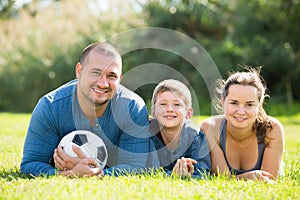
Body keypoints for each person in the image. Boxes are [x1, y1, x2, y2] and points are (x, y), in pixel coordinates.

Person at [20, 42, 154, 178]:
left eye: (111, 76)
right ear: (79, 71)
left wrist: (95, 174)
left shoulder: (133, 107)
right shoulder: (51, 106)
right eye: (96, 73)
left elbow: (135, 166)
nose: (103, 83)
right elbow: (30, 164)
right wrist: (69, 174)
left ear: (120, 78)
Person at [200, 67, 284, 182]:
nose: (241, 111)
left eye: (249, 104)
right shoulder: (210, 128)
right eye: (234, 103)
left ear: (259, 106)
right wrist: (247, 177)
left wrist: (241, 178)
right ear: (223, 102)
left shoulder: (272, 129)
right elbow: (222, 178)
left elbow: (269, 180)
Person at [149, 79, 211, 178]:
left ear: (188, 113)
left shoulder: (196, 137)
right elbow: (144, 171)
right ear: (153, 113)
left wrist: (187, 175)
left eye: (177, 105)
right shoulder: (147, 134)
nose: (169, 109)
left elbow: (202, 174)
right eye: (163, 104)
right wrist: (173, 175)